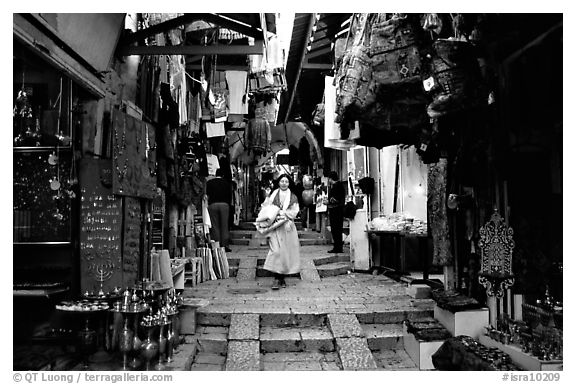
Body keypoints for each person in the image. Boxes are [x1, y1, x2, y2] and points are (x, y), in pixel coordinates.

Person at [261, 173, 301, 290]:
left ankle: (280, 278)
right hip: (274, 226)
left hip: (287, 227)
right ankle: (277, 277)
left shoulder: (293, 197)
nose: (284, 183)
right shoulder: (272, 195)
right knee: (276, 251)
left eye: (286, 181)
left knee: (285, 253)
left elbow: (294, 211)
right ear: (278, 182)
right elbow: (265, 207)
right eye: (282, 181)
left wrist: (283, 214)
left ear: (289, 183)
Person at [206, 168, 232, 252]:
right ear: (223, 175)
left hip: (213, 205)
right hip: (224, 205)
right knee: (224, 226)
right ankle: (225, 246)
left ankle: (217, 246)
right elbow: (229, 196)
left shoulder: (209, 183)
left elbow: (207, 195)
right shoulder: (227, 183)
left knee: (215, 226)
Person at [327, 171, 346, 254]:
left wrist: (328, 201)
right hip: (336, 210)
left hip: (336, 210)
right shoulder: (338, 186)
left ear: (331, 178)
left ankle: (337, 247)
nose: (329, 180)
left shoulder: (337, 186)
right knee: (336, 229)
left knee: (336, 229)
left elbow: (335, 199)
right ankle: (337, 246)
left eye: (329, 179)